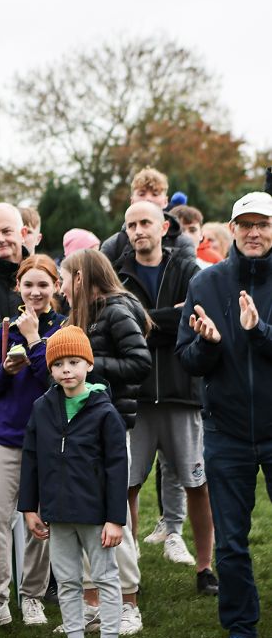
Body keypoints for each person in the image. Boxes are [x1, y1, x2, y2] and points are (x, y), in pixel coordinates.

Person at [176, 191, 272, 638]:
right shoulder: (207, 282)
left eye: (263, 224)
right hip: (226, 431)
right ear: (231, 230)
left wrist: (259, 332)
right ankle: (241, 630)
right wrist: (209, 344)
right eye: (245, 224)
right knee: (232, 539)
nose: (254, 232)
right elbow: (187, 358)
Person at [115, 202, 217, 593]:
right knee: (126, 485)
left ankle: (205, 569)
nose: (139, 230)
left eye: (145, 223)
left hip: (181, 393)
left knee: (197, 483)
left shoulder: (186, 269)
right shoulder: (118, 272)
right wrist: (167, 318)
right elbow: (118, 319)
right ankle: (128, 568)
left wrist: (146, 320)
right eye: (131, 225)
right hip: (134, 399)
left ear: (163, 228)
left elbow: (195, 316)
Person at [20, 326, 127, 638]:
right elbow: (31, 457)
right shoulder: (42, 408)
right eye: (59, 364)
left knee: (104, 578)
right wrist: (29, 507)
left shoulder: (104, 412)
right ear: (49, 370)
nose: (66, 370)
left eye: (74, 362)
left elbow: (117, 467)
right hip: (58, 513)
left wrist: (115, 518)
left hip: (96, 515)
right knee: (67, 579)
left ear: (88, 365)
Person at [59, 249, 151, 635]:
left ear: (81, 277)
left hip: (111, 429)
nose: (61, 288)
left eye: (65, 278)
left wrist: (90, 362)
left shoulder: (116, 310)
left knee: (114, 515)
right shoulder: (81, 316)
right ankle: (93, 602)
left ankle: (129, 604)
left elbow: (139, 362)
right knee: (84, 515)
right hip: (80, 433)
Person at [0, 255, 65, 629]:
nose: (35, 292)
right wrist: (5, 371)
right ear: (18, 287)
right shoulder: (3, 329)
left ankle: (32, 597)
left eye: (43, 285)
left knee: (39, 520)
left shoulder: (63, 330)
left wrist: (34, 341)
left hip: (45, 437)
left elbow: (58, 383)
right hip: (4, 434)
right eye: (28, 284)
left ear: (56, 287)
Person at [100, 167, 195, 264]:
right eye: (142, 194)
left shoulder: (183, 243)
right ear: (132, 201)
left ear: (165, 201)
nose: (148, 199)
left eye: (155, 194)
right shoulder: (114, 245)